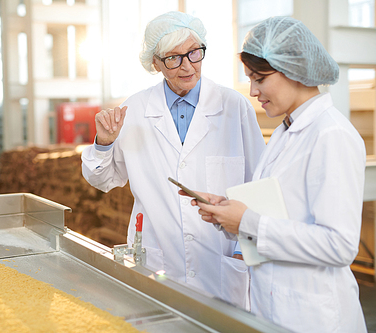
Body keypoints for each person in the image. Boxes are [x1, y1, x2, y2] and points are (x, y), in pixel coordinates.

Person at [185, 16, 367, 332]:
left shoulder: (331, 135)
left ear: (293, 69)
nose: (252, 90)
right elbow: (282, 216)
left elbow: (339, 246)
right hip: (275, 308)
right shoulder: (286, 130)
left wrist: (247, 222)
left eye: (259, 78)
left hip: (316, 316)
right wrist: (229, 215)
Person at [81, 11, 265, 308]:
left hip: (222, 264)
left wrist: (244, 253)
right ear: (155, 63)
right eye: (173, 58)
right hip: (158, 261)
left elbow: (258, 183)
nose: (187, 66)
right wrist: (104, 143)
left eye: (194, 53)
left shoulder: (234, 106)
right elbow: (103, 180)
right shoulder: (136, 110)